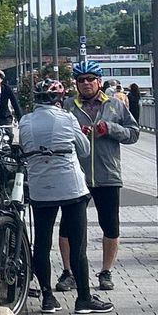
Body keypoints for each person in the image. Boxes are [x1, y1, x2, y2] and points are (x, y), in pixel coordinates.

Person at [20, 78, 112, 314]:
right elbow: (85, 149)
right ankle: (84, 299)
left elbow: (22, 146)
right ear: (59, 99)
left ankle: (47, 298)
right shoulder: (67, 118)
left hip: (40, 187)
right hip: (70, 187)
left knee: (42, 243)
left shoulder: (25, 121)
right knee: (77, 243)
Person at [52, 59, 141, 294]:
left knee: (110, 224)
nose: (86, 83)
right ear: (76, 84)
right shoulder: (67, 106)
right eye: (81, 80)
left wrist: (110, 129)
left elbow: (134, 134)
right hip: (75, 175)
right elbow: (56, 135)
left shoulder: (115, 105)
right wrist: (75, 134)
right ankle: (68, 272)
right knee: (68, 226)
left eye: (91, 79)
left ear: (99, 81)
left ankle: (106, 271)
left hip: (107, 173)